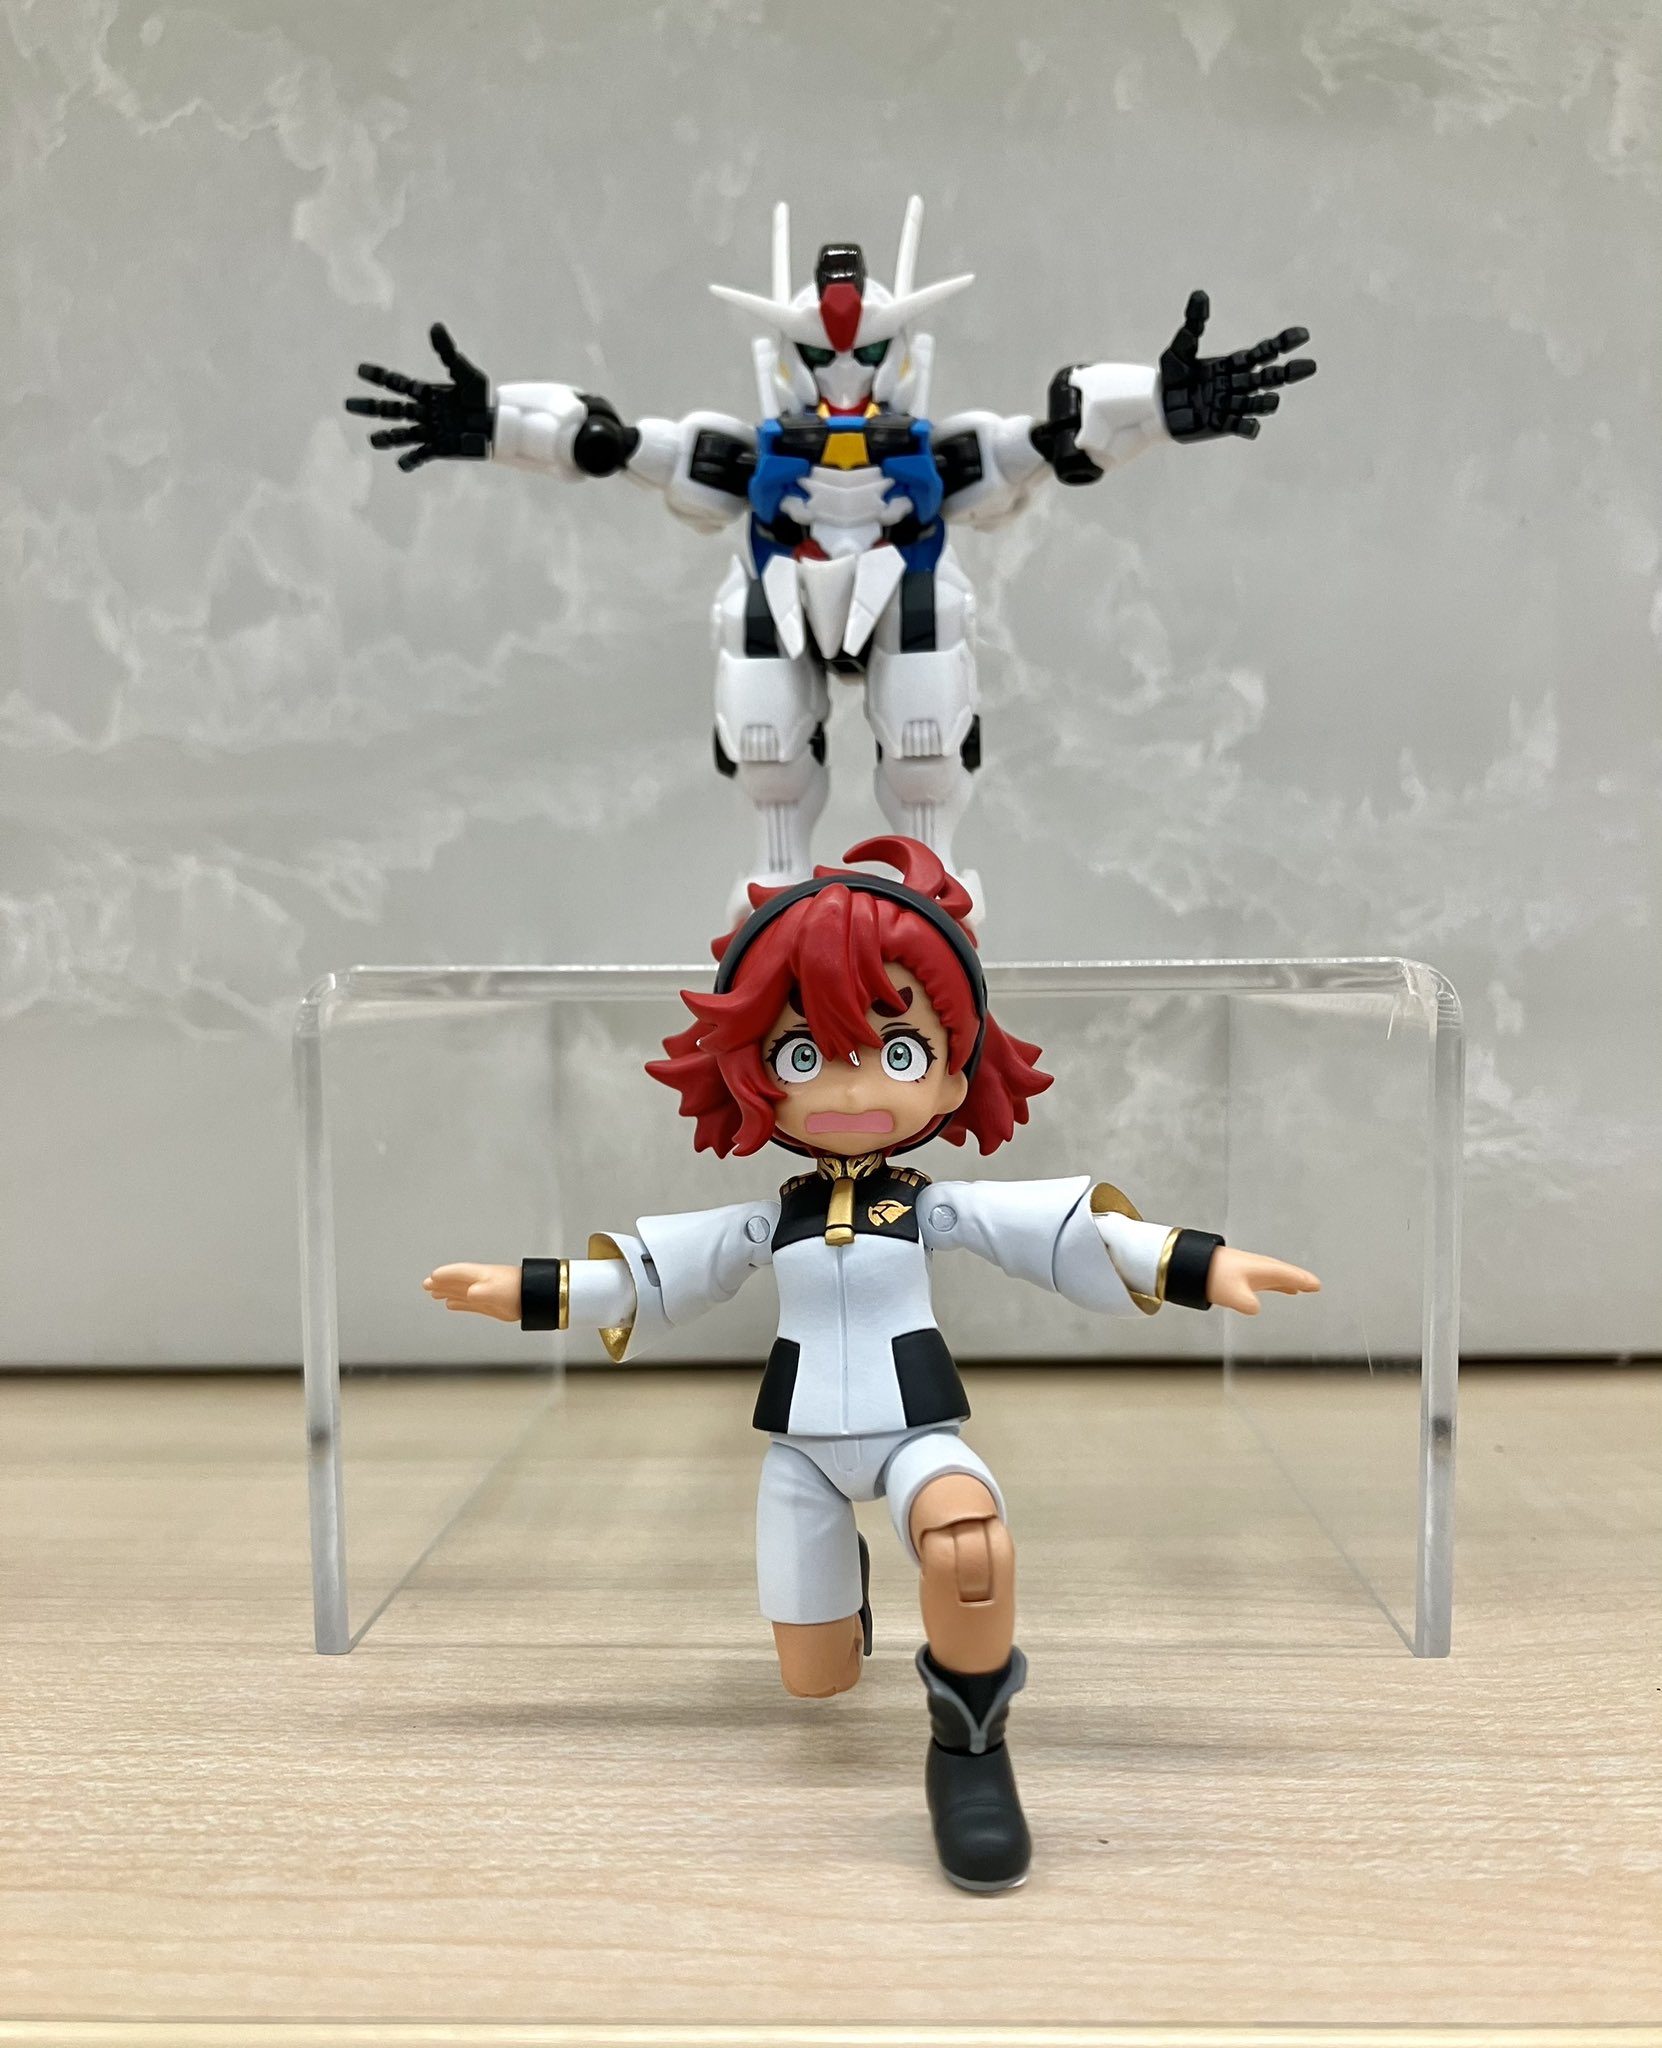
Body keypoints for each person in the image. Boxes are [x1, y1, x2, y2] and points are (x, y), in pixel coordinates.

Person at [424, 837, 1320, 1890]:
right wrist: (529, 1290)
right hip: (799, 1454)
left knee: (971, 1551)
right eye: (805, 1054)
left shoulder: (931, 1208)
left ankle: (971, 1756)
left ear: (953, 1067)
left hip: (912, 1434)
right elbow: (653, 1276)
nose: (849, 1085)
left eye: (896, 1051)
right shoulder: (769, 1222)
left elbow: (1063, 1232)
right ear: (753, 1068)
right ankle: (841, 1595)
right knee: (815, 1681)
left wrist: (1197, 1262)